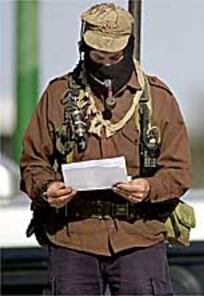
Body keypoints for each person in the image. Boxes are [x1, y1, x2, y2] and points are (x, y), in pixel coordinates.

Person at [20, 3, 191, 295]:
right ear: (83, 48)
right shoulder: (58, 95)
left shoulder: (157, 99)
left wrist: (148, 188)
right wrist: (47, 189)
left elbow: (179, 171)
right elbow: (32, 162)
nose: (107, 65)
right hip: (72, 238)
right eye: (99, 56)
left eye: (115, 56)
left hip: (140, 237)